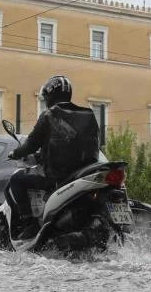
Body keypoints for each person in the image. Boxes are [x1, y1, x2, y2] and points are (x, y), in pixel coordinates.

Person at [6, 75, 100, 236]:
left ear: (50, 95)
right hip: (85, 172)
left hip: (58, 176)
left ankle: (30, 224)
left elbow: (30, 145)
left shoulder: (49, 115)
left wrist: (15, 153)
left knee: (16, 179)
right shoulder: (89, 114)